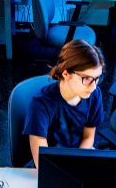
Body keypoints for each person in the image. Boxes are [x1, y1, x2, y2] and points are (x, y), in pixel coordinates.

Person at [24, 39, 105, 168]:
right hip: (49, 163)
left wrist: (77, 166)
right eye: (87, 79)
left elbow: (88, 138)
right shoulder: (40, 105)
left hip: (78, 156)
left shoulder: (94, 95)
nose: (94, 86)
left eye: (97, 78)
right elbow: (42, 159)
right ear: (66, 73)